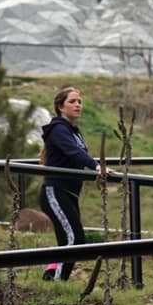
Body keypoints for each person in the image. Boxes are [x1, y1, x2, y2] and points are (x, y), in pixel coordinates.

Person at [38, 86, 106, 281]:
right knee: (75, 239)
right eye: (72, 101)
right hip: (55, 190)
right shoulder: (58, 129)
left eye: (79, 101)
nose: (78, 105)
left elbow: (78, 154)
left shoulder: (73, 131)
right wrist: (96, 166)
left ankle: (50, 276)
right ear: (60, 107)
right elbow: (73, 152)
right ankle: (57, 281)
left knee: (66, 240)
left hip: (69, 192)